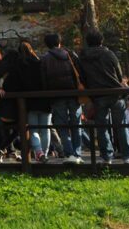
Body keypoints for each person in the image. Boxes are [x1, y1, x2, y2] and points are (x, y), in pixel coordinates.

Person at [81, 30, 129, 165]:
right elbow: (118, 73)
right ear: (101, 40)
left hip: (97, 94)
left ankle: (106, 156)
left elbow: (82, 76)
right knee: (121, 124)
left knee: (102, 126)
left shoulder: (83, 57)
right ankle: (127, 155)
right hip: (114, 92)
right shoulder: (108, 53)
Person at [40, 33, 84, 164]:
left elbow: (43, 81)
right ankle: (77, 154)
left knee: (62, 126)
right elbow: (80, 72)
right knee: (76, 124)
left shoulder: (45, 59)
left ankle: (69, 153)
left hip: (56, 96)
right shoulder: (70, 55)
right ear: (60, 42)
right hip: (74, 94)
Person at [17, 42, 51, 163]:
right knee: (45, 129)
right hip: (45, 100)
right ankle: (44, 154)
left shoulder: (20, 65)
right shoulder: (39, 62)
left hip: (29, 102)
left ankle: (38, 151)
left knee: (33, 130)